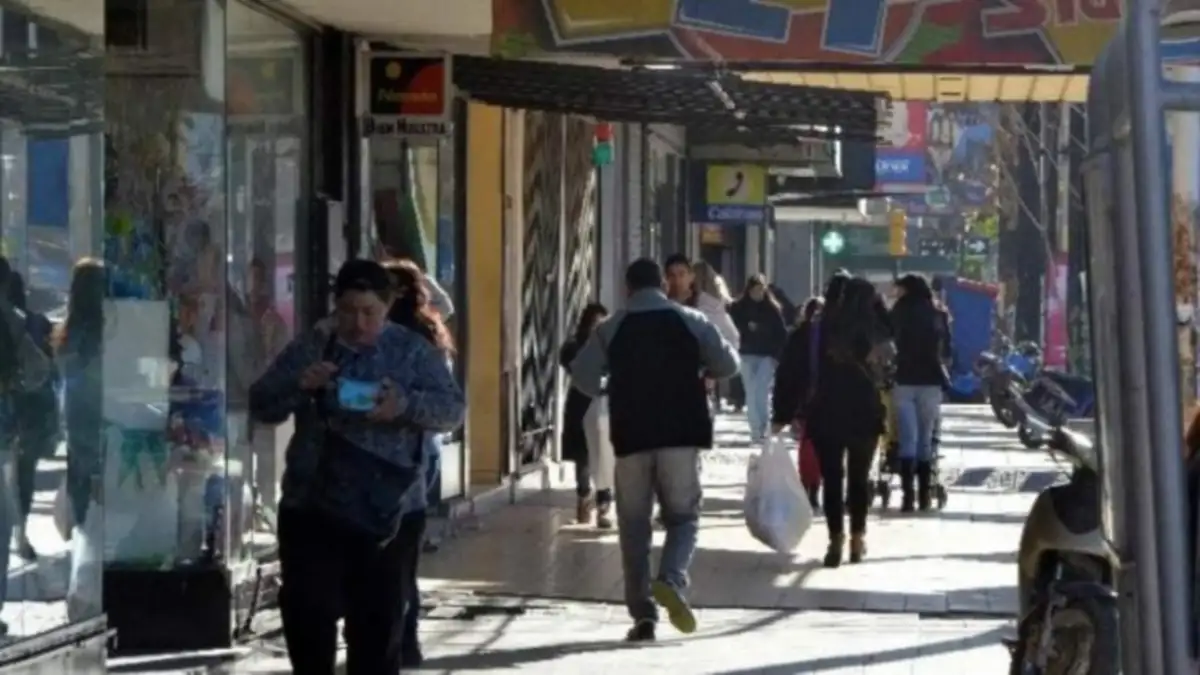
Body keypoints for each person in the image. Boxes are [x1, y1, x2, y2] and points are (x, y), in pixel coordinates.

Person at [250, 259, 465, 674]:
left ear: (387, 307)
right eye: (348, 311)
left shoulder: (411, 351)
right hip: (313, 504)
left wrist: (404, 405)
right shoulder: (314, 344)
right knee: (308, 617)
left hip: (389, 512)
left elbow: (453, 410)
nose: (358, 323)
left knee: (377, 628)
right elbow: (262, 403)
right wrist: (300, 386)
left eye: (369, 312)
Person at [570, 258, 739, 642]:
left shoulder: (611, 326)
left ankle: (643, 615)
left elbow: (583, 376)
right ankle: (672, 579)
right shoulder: (692, 320)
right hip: (681, 435)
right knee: (683, 517)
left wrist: (608, 384)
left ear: (627, 288)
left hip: (631, 438)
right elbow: (728, 364)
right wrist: (701, 369)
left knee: (633, 527)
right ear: (663, 285)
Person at [774, 276, 887, 568]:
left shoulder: (812, 332)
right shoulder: (872, 330)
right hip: (865, 412)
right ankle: (857, 539)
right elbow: (894, 348)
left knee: (832, 479)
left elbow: (790, 374)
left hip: (825, 411)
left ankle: (835, 539)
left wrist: (782, 415)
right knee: (859, 479)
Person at [381, 258, 457, 669]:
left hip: (409, 457)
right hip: (423, 455)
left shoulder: (410, 339)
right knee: (402, 558)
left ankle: (398, 638)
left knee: (394, 555)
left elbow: (448, 406)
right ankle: (402, 640)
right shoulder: (429, 331)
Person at [889, 274, 951, 512]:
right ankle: (924, 495)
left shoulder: (898, 312)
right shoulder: (938, 313)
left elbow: (888, 341)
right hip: (931, 380)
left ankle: (908, 497)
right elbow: (947, 349)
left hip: (904, 379)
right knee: (926, 439)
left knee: (908, 437)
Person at [9, 272, 58, 561]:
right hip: (29, 413)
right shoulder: (37, 324)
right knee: (24, 477)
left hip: (11, 410)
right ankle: (20, 534)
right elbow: (50, 369)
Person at [559, 302, 613, 528]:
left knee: (604, 456)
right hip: (580, 405)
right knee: (583, 457)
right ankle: (583, 499)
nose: (598, 328)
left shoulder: (612, 346)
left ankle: (603, 506)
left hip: (604, 405)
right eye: (595, 323)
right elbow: (571, 364)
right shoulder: (574, 346)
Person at [729, 275, 788, 443]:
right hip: (745, 354)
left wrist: (776, 355)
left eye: (761, 290)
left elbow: (781, 334)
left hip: (767, 356)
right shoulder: (738, 308)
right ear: (749, 290)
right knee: (751, 391)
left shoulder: (772, 309)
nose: (758, 293)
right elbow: (732, 329)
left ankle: (763, 426)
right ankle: (755, 428)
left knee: (761, 391)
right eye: (755, 290)